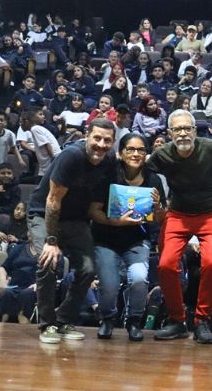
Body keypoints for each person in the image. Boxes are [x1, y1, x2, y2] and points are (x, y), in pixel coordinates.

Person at [146, 110, 212, 344]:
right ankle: (177, 321)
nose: (182, 133)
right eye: (177, 130)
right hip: (177, 214)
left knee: (211, 263)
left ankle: (202, 321)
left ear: (194, 130)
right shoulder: (162, 155)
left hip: (211, 214)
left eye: (186, 129)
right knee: (166, 264)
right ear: (169, 133)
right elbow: (140, 167)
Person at [27, 119, 117, 343]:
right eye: (97, 138)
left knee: (87, 269)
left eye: (107, 140)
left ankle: (63, 320)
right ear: (87, 135)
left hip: (77, 219)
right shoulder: (71, 156)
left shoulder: (109, 160)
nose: (101, 144)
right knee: (49, 261)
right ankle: (47, 324)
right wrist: (51, 239)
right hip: (44, 214)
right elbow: (52, 201)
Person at [88, 133, 166, 341]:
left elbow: (158, 218)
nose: (136, 154)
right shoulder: (108, 175)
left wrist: (157, 206)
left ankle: (134, 321)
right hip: (106, 238)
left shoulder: (153, 179)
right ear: (121, 153)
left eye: (141, 150)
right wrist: (115, 222)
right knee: (110, 284)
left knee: (139, 278)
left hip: (137, 240)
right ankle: (107, 319)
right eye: (130, 149)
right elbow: (93, 210)